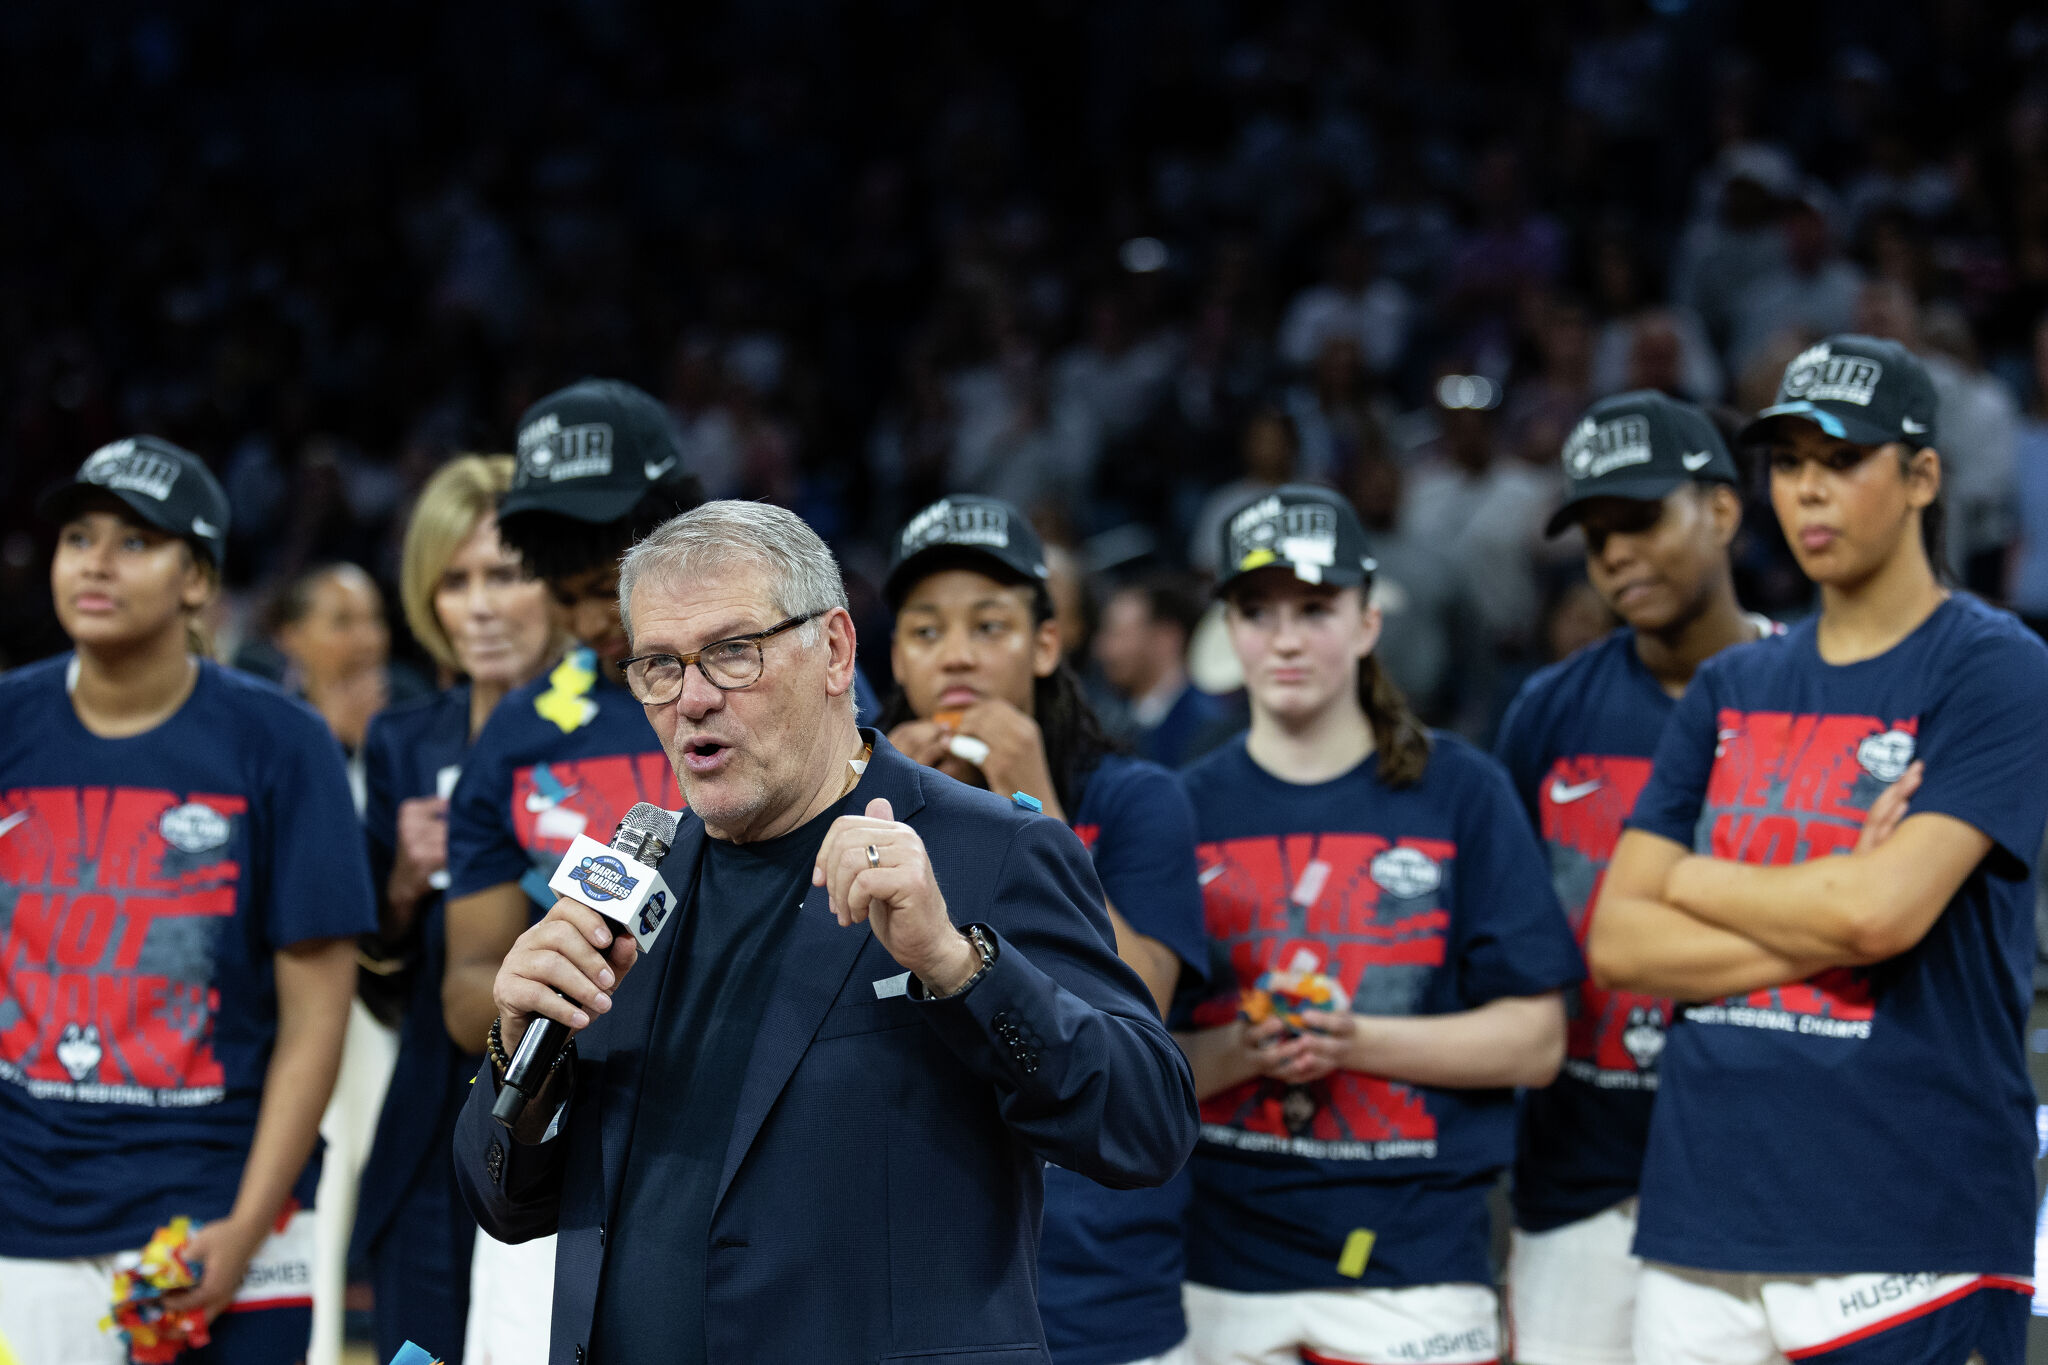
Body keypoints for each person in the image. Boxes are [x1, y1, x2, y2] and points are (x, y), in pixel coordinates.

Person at [452, 499, 1198, 1364]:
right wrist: (518, 1046)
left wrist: (957, 965)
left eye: (733, 652)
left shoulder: (990, 849)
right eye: (659, 663)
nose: (692, 698)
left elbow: (1148, 1123)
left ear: (836, 650)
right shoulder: (632, 883)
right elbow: (505, 1204)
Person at [1590, 335, 2048, 1364]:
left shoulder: (1994, 669)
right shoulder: (1728, 686)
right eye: (1787, 464)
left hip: (1908, 1223)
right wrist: (1834, 907)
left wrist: (1691, 878)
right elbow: (1618, 940)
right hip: (1699, 1214)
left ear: (1921, 476)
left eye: (1841, 460)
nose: (1806, 492)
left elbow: (1877, 914)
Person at [1174, 485, 1582, 1365]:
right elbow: (1132, 1056)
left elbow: (1536, 1039)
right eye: (1258, 611)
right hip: (1216, 1268)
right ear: (1228, 631)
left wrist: (1350, 1039)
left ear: (1368, 621)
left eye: (1316, 608)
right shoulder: (1175, 806)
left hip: (1414, 1265)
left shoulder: (1460, 790)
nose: (1285, 638)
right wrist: (1246, 1050)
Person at [0, 437, 373, 1362]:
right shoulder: (7, 723)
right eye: (78, 536)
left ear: (198, 581)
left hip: (222, 1213)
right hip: (24, 1218)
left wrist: (246, 1226)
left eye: (136, 542)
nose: (94, 560)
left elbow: (315, 1018)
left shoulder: (283, 743)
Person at [877, 495, 1210, 1365]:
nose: (956, 654)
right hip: (925, 1273)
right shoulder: (860, 813)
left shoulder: (1137, 798)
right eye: (925, 631)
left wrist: (1038, 814)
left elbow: (1146, 1011)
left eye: (990, 625)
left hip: (1101, 1272)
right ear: (893, 658)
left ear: (1047, 644)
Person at [1494, 391, 1776, 1365]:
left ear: (1726, 514)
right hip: (1582, 1177)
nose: (1615, 554)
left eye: (1642, 520)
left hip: (1768, 1170)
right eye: (1595, 534)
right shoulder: (1545, 710)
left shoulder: (1815, 696)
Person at [440, 378, 703, 1365]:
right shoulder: (514, 738)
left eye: (615, 582)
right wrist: (532, 992)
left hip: (735, 1156)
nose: (600, 616)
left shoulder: (773, 700)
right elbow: (464, 988)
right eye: (572, 592)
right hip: (550, 1168)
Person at [352, 455, 560, 1365]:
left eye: (505, 574)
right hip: (434, 1120)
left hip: (581, 1117)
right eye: (453, 580)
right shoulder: (403, 740)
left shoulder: (631, 726)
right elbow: (379, 984)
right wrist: (400, 885)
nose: (477, 606)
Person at [1092, 571, 1228, 772]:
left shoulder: (1207, 727)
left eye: (1119, 635)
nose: (1102, 649)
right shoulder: (1110, 717)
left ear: (1166, 638)